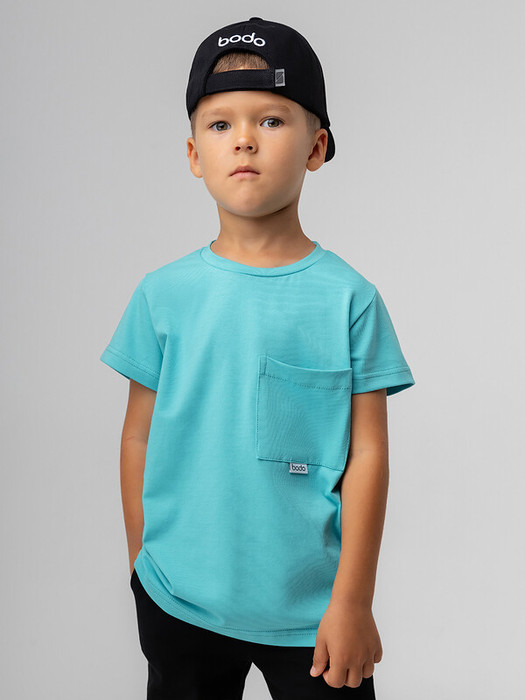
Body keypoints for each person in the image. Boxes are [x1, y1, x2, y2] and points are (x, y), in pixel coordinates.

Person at [100, 16, 415, 700]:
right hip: (178, 600)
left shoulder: (350, 300)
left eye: (271, 120)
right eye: (220, 125)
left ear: (316, 146)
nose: (243, 139)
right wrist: (141, 564)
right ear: (194, 154)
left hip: (314, 615)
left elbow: (368, 455)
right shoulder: (162, 295)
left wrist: (352, 601)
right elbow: (137, 436)